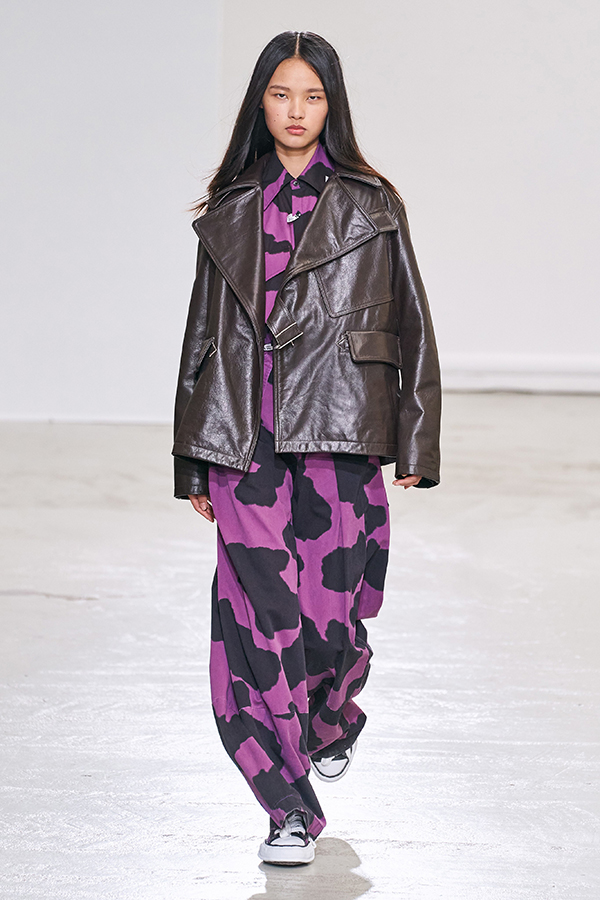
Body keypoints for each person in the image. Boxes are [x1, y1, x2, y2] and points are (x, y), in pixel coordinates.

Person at [172, 30, 441, 866]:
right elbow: (202, 337)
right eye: (281, 94)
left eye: (312, 96)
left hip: (339, 429)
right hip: (245, 444)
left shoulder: (371, 203)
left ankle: (332, 714)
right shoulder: (231, 206)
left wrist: (417, 438)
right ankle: (287, 809)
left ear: (333, 106)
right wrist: (193, 455)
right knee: (257, 626)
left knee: (333, 624)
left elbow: (412, 321)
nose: (296, 111)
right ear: (260, 102)